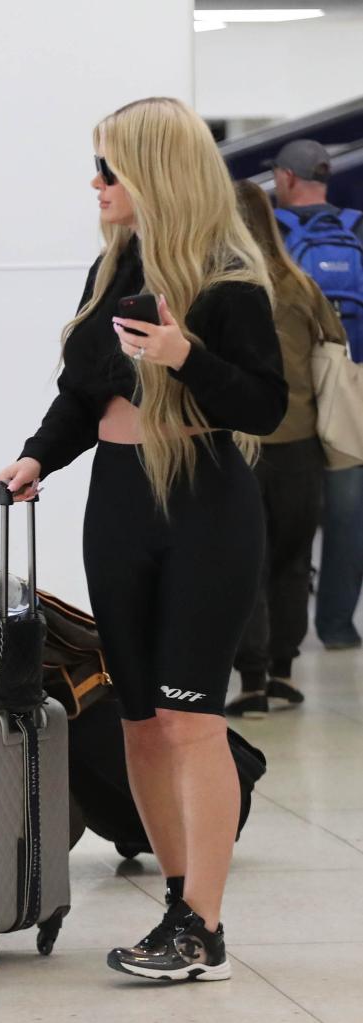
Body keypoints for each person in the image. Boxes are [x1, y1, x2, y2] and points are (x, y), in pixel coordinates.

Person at [0, 97, 286, 982]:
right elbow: (82, 395)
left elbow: (265, 407)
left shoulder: (230, 277)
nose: (95, 184)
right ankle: (176, 903)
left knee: (190, 721)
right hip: (118, 506)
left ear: (153, 174)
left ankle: (205, 925)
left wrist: (183, 355)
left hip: (202, 505)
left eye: (109, 169)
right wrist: (36, 455)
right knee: (139, 721)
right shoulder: (110, 266)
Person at [227, 180, 349, 717]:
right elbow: (336, 344)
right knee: (293, 560)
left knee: (245, 560)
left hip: (242, 446)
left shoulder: (222, 285)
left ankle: (250, 681)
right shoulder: (300, 283)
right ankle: (283, 672)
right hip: (300, 441)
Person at [272, 139, 363, 650]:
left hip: (295, 389)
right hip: (352, 382)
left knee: (288, 511)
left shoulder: (275, 234)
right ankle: (337, 626)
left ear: (286, 178)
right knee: (348, 510)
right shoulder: (357, 227)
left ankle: (279, 636)